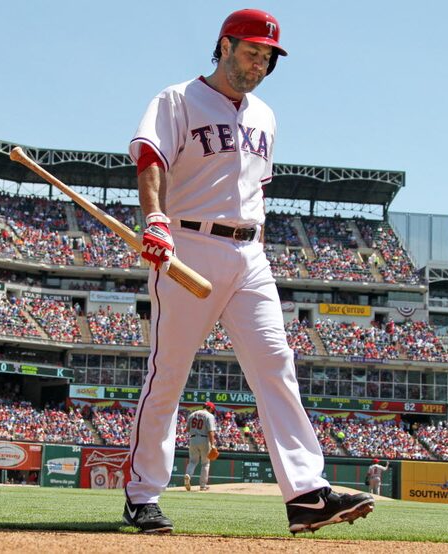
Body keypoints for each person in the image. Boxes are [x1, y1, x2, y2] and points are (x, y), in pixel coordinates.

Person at [122, 8, 374, 534]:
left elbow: (256, 186)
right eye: (252, 51)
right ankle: (142, 495)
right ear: (226, 45)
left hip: (250, 252)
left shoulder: (266, 115)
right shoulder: (177, 99)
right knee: (169, 372)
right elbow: (150, 157)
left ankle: (306, 493)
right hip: (188, 244)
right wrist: (157, 220)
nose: (259, 63)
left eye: (267, 57)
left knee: (276, 365)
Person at [183, 402, 218, 492]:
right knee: (205, 463)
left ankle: (188, 475)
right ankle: (203, 485)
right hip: (204, 439)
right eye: (212, 409)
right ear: (210, 408)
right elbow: (211, 431)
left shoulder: (192, 414)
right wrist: (213, 444)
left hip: (193, 439)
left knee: (192, 461)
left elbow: (187, 429)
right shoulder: (209, 416)